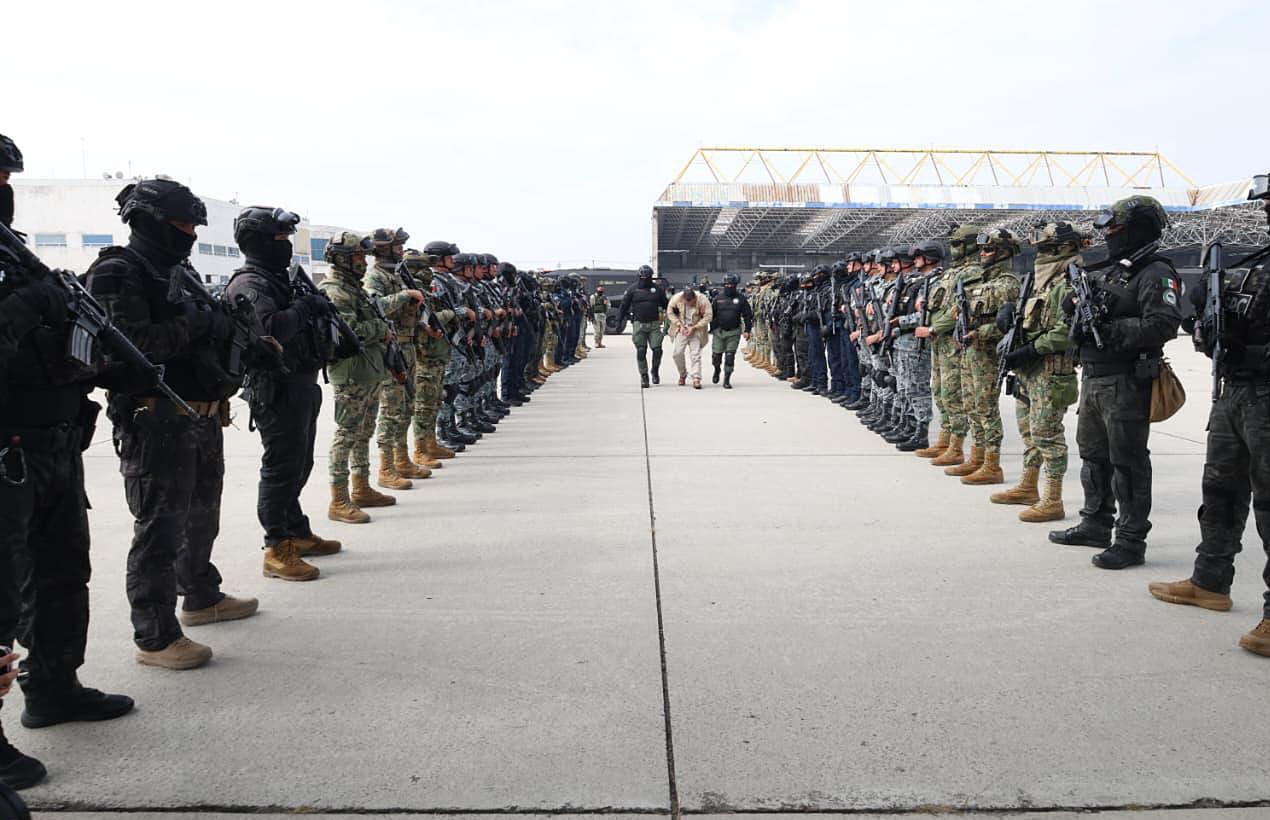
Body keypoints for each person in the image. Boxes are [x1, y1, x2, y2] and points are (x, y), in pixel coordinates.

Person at [0, 134, 132, 790]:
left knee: (62, 575)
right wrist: (30, 304)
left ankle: (53, 686)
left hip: (51, 447)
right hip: (7, 455)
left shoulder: (16, 257)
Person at [87, 178, 259, 670]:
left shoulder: (178, 271)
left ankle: (202, 596)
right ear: (149, 222)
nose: (189, 233)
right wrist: (196, 324)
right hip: (154, 420)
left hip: (200, 417)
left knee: (202, 516)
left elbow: (206, 331)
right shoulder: (119, 272)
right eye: (182, 224)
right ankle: (156, 637)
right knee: (160, 530)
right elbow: (125, 348)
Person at [1149, 174, 1270, 656]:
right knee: (1220, 490)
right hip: (1234, 392)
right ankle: (1210, 581)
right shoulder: (1250, 266)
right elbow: (1217, 327)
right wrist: (1203, 325)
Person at [1049, 196, 1183, 570]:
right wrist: (1074, 311)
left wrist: (1110, 330)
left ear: (1138, 229)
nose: (1109, 236)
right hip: (1094, 378)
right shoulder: (1110, 271)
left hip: (1127, 379)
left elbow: (1163, 325)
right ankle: (1095, 523)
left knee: (1128, 463)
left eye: (1116, 230)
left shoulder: (1156, 272)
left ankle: (1130, 539)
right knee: (1093, 456)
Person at [224, 206, 341, 582]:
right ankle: (277, 547)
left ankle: (296, 529)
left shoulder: (279, 280)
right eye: (280, 239)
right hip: (277, 387)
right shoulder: (251, 284)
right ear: (258, 242)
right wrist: (305, 308)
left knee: (299, 463)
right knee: (280, 469)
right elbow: (269, 329)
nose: (286, 245)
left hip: (301, 382)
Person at [990, 223, 1079, 522]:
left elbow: (1065, 332)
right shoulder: (1040, 282)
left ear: (1061, 249)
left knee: (1048, 434)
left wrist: (1030, 349)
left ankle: (1052, 499)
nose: (1040, 254)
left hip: (1051, 370)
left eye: (1046, 248)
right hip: (1029, 372)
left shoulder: (1069, 283)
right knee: (1029, 432)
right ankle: (1028, 486)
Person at [320, 232, 395, 523]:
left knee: (364, 431)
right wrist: (379, 327)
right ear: (341, 259)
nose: (363, 262)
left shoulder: (354, 288)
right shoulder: (336, 290)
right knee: (347, 434)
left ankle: (361, 487)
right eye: (357, 257)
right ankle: (339, 499)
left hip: (369, 370)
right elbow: (348, 332)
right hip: (351, 374)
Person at [943, 230, 1019, 485]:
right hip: (969, 351)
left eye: (989, 250)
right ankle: (976, 456)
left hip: (987, 352)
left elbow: (1009, 324)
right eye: (982, 250)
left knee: (986, 408)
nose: (983, 254)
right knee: (970, 405)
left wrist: (980, 332)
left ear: (1003, 252)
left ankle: (992, 464)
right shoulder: (975, 281)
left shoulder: (1007, 284)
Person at [365, 227, 427, 488]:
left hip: (408, 345)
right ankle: (386, 467)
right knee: (391, 411)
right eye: (397, 245)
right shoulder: (375, 276)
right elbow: (375, 306)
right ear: (383, 248)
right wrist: (404, 296)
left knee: (407, 407)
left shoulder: (398, 274)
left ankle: (402, 460)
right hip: (391, 350)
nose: (401, 249)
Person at [917, 226, 980, 462]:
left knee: (953, 395)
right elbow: (941, 304)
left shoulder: (972, 272)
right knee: (940, 392)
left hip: (953, 343)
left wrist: (933, 328)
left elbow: (957, 310)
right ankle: (945, 440)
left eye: (958, 243)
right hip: (941, 344)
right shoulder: (952, 273)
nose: (954, 249)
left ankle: (956, 447)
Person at [408, 242, 460, 464]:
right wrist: (452, 313)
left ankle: (430, 443)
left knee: (434, 400)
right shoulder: (418, 289)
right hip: (425, 354)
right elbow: (428, 318)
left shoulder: (428, 287)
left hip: (436, 351)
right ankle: (421, 449)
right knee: (424, 403)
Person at [619, 265, 668, 388]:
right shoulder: (632, 289)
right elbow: (624, 305)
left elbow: (666, 304)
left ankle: (655, 370)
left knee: (657, 350)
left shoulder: (657, 290)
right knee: (641, 351)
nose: (645, 279)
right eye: (643, 277)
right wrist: (620, 319)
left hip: (654, 324)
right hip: (639, 324)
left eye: (647, 277)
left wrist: (675, 313)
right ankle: (644, 376)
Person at [709, 273, 753, 388]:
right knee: (716, 356)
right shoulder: (718, 298)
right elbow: (711, 315)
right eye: (727, 284)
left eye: (731, 284)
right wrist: (711, 328)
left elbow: (747, 315)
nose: (729, 286)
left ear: (735, 285)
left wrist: (747, 330)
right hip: (719, 332)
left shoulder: (741, 299)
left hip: (734, 332)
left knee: (730, 356)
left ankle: (727, 379)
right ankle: (717, 369)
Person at [668, 285, 712, 388]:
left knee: (695, 354)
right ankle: (682, 375)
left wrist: (695, 327)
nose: (689, 304)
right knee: (677, 353)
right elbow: (670, 313)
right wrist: (680, 325)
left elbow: (708, 316)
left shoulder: (702, 299)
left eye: (691, 302)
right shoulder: (676, 299)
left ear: (694, 299)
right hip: (681, 328)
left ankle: (696, 378)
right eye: (686, 302)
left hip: (696, 329)